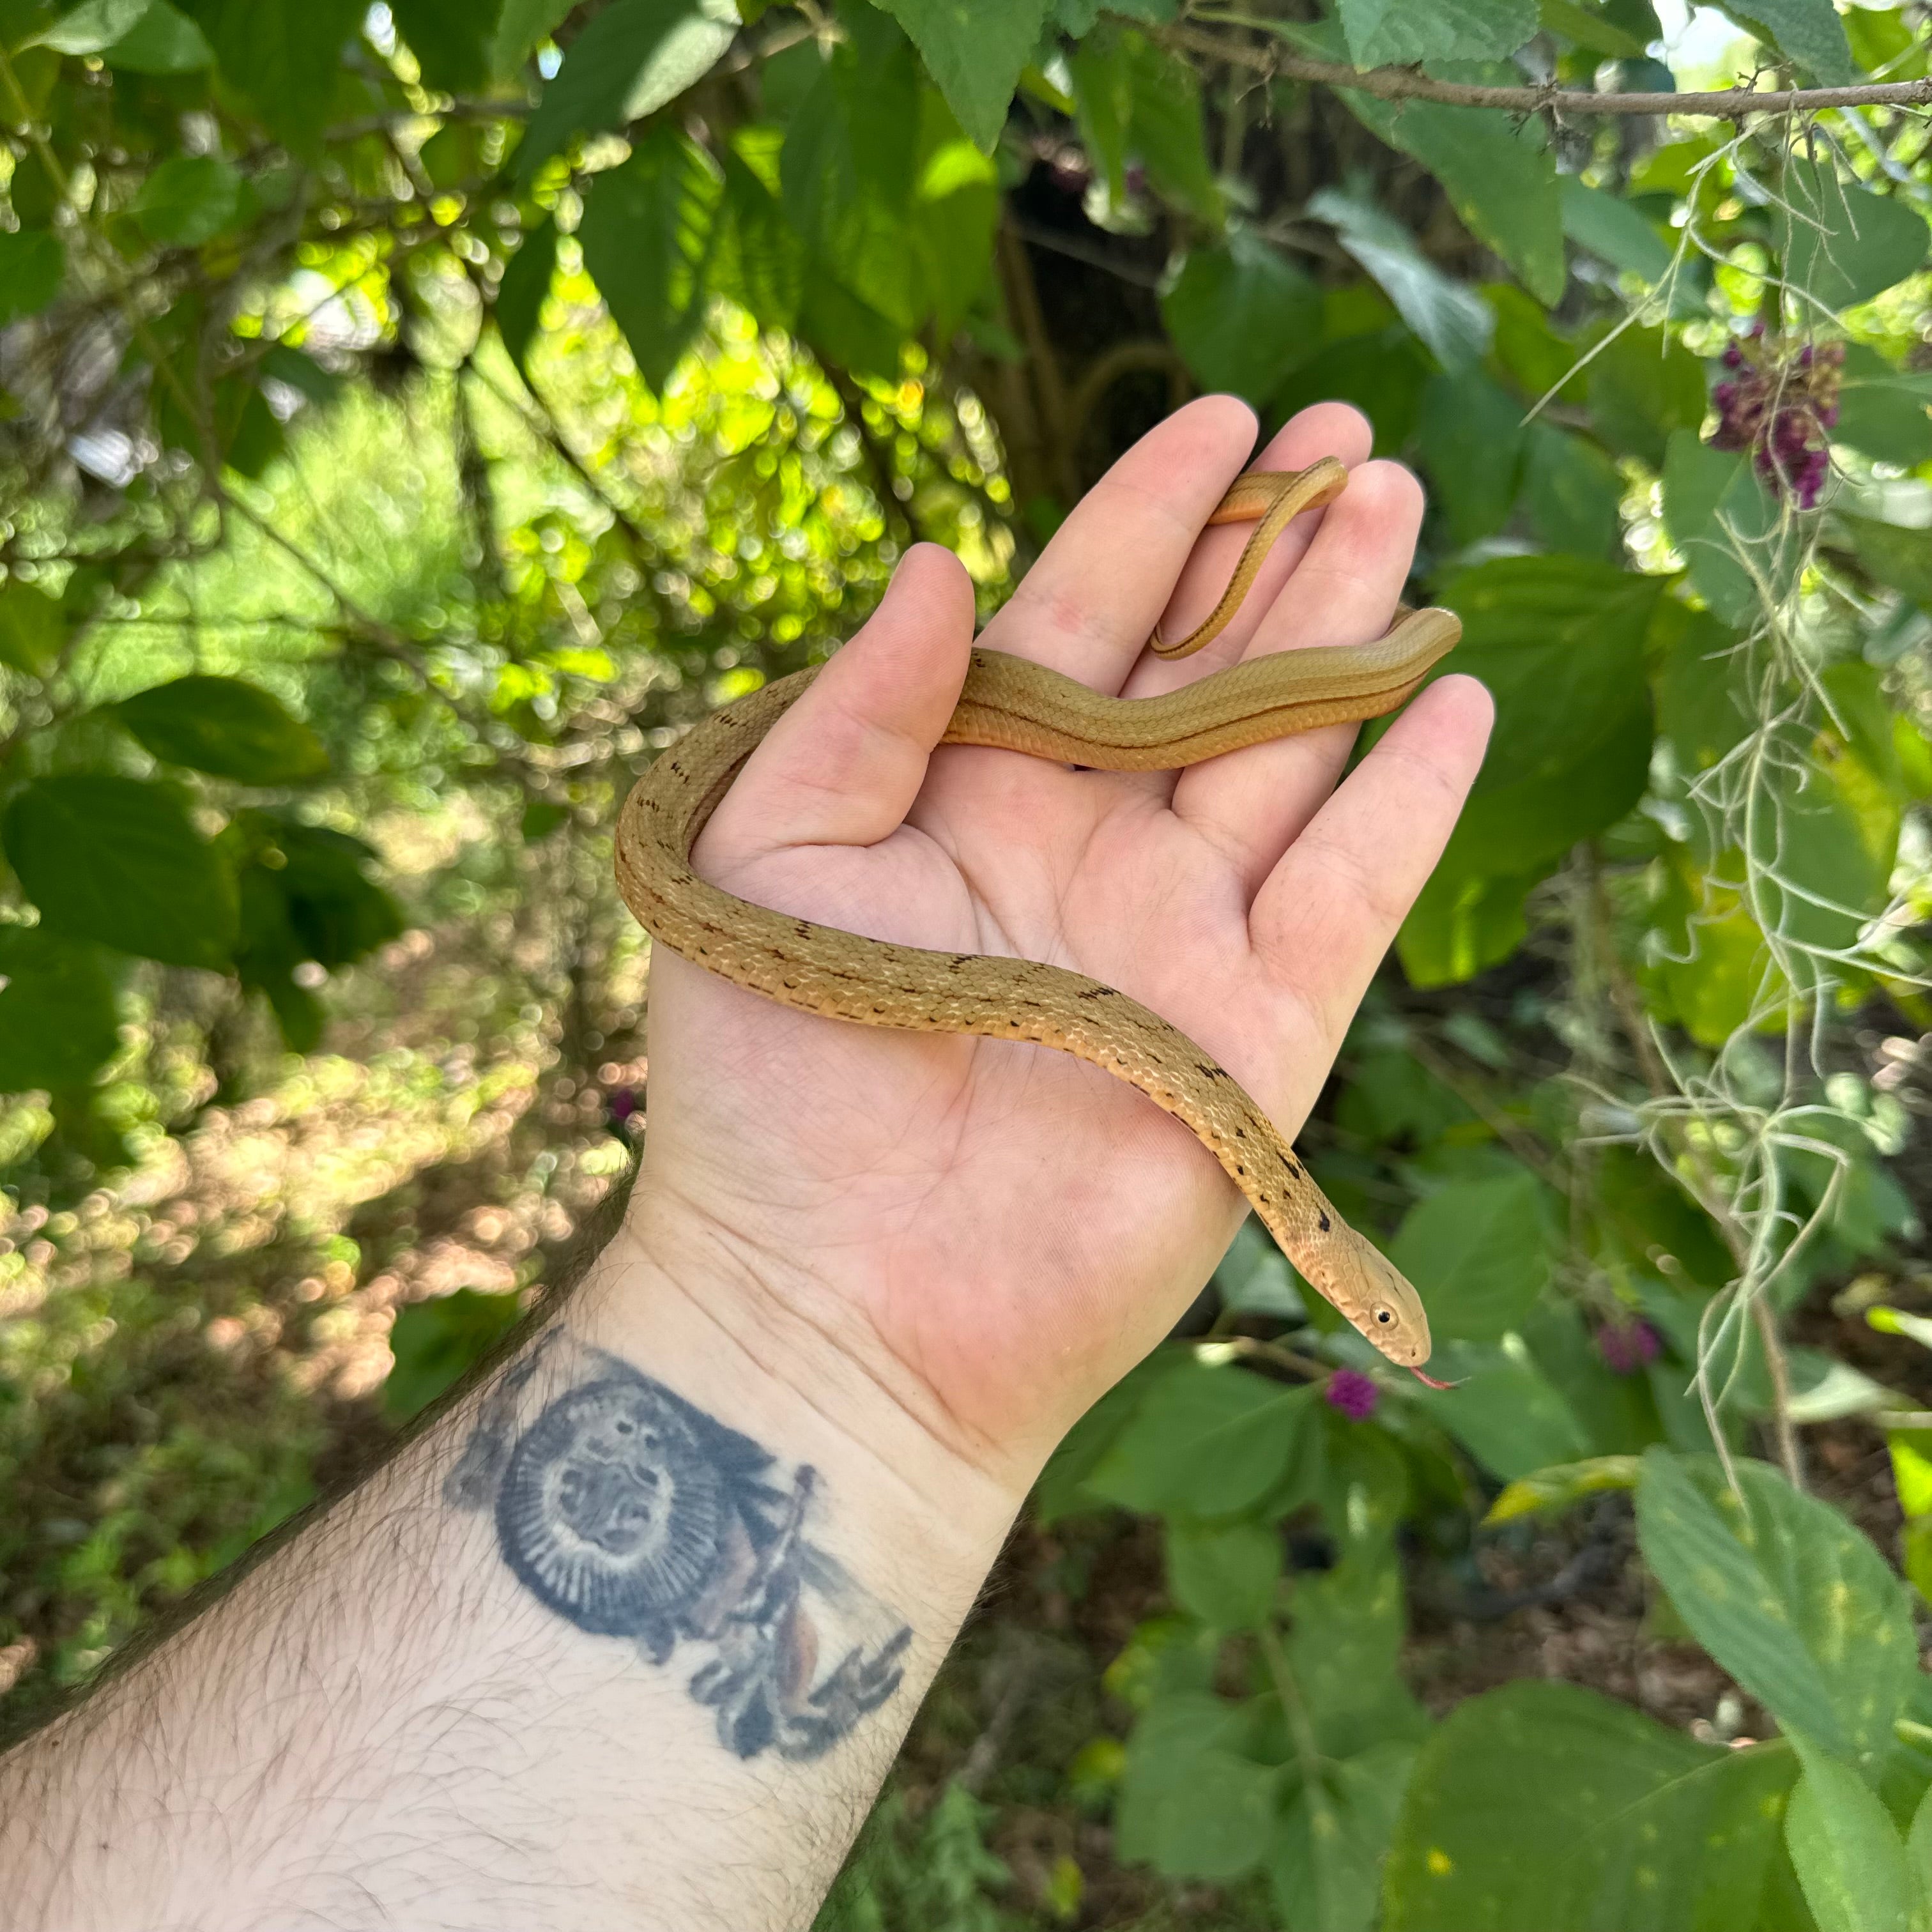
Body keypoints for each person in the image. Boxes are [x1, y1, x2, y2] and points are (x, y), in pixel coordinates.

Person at [0, 397, 1492, 1930]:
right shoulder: (1204, 1107)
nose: (1380, 1326)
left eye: (1379, 1326)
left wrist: (842, 1378)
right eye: (1376, 1316)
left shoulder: (1235, 1129)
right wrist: (786, 1317)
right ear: (1330, 1266)